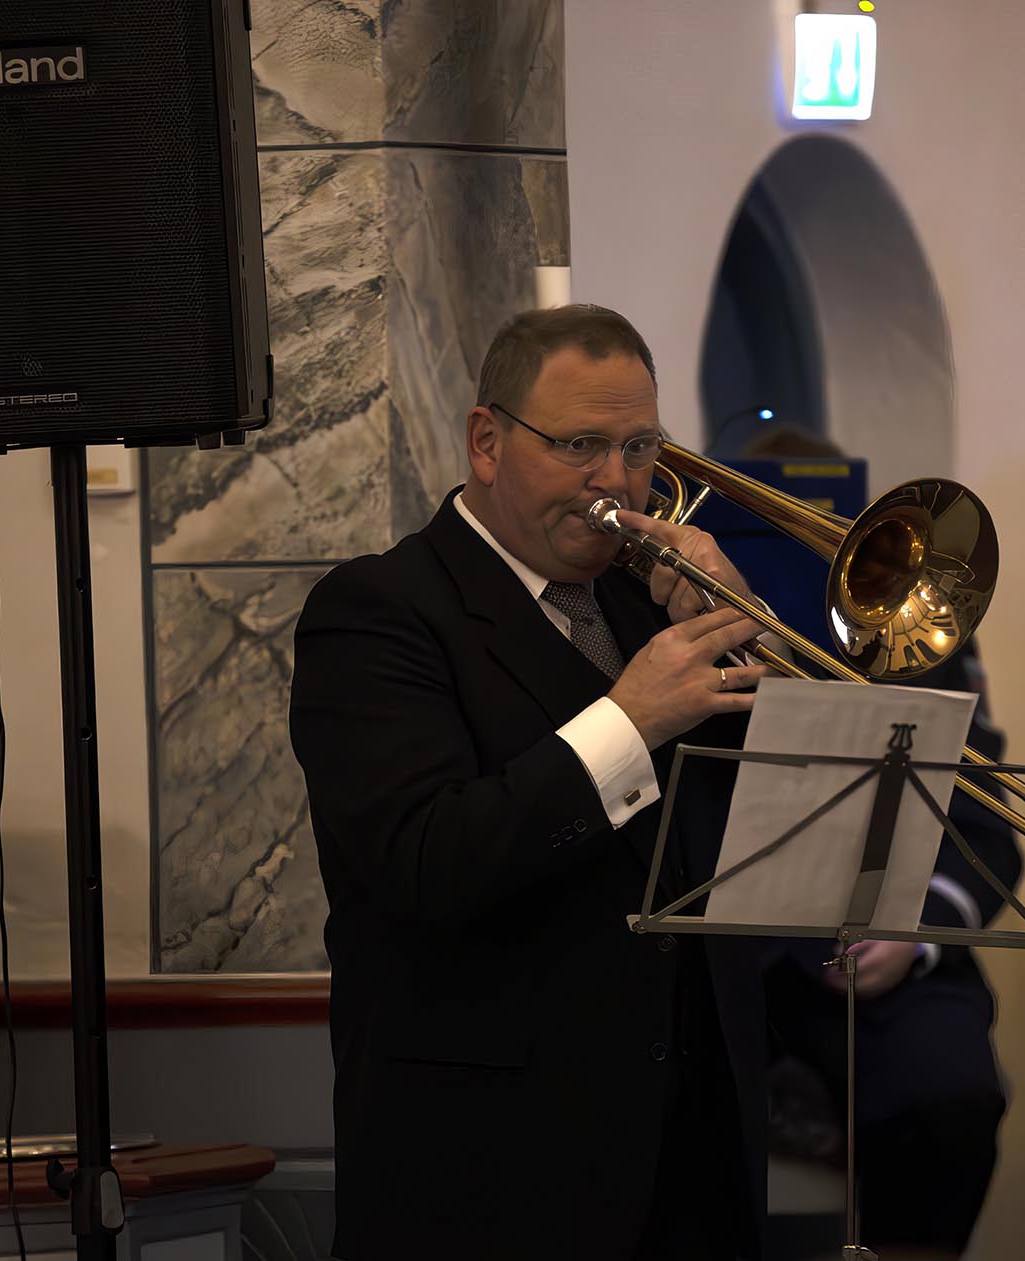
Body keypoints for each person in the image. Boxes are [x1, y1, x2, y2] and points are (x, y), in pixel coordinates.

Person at [289, 304, 774, 1261]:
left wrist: (745, 629)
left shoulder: (654, 604)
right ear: (487, 441)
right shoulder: (378, 611)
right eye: (581, 445)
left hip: (691, 1149)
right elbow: (427, 858)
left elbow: (750, 833)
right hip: (490, 1169)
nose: (617, 482)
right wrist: (629, 722)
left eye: (640, 446)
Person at [739, 422, 1021, 1260]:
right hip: (741, 957)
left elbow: (984, 833)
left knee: (952, 1092)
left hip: (891, 947)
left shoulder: (912, 619)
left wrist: (914, 924)